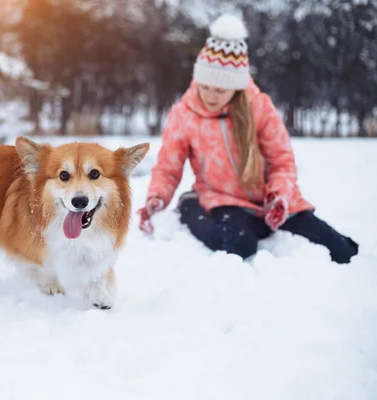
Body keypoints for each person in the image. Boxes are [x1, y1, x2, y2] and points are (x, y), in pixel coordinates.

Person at [137, 14, 358, 264]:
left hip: (273, 203)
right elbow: (168, 167)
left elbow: (282, 162)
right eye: (205, 86)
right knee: (239, 246)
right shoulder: (184, 113)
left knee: (342, 251)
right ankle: (190, 206)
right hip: (224, 200)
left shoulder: (260, 108)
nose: (210, 95)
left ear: (236, 87)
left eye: (220, 89)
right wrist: (156, 197)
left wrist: (278, 197)